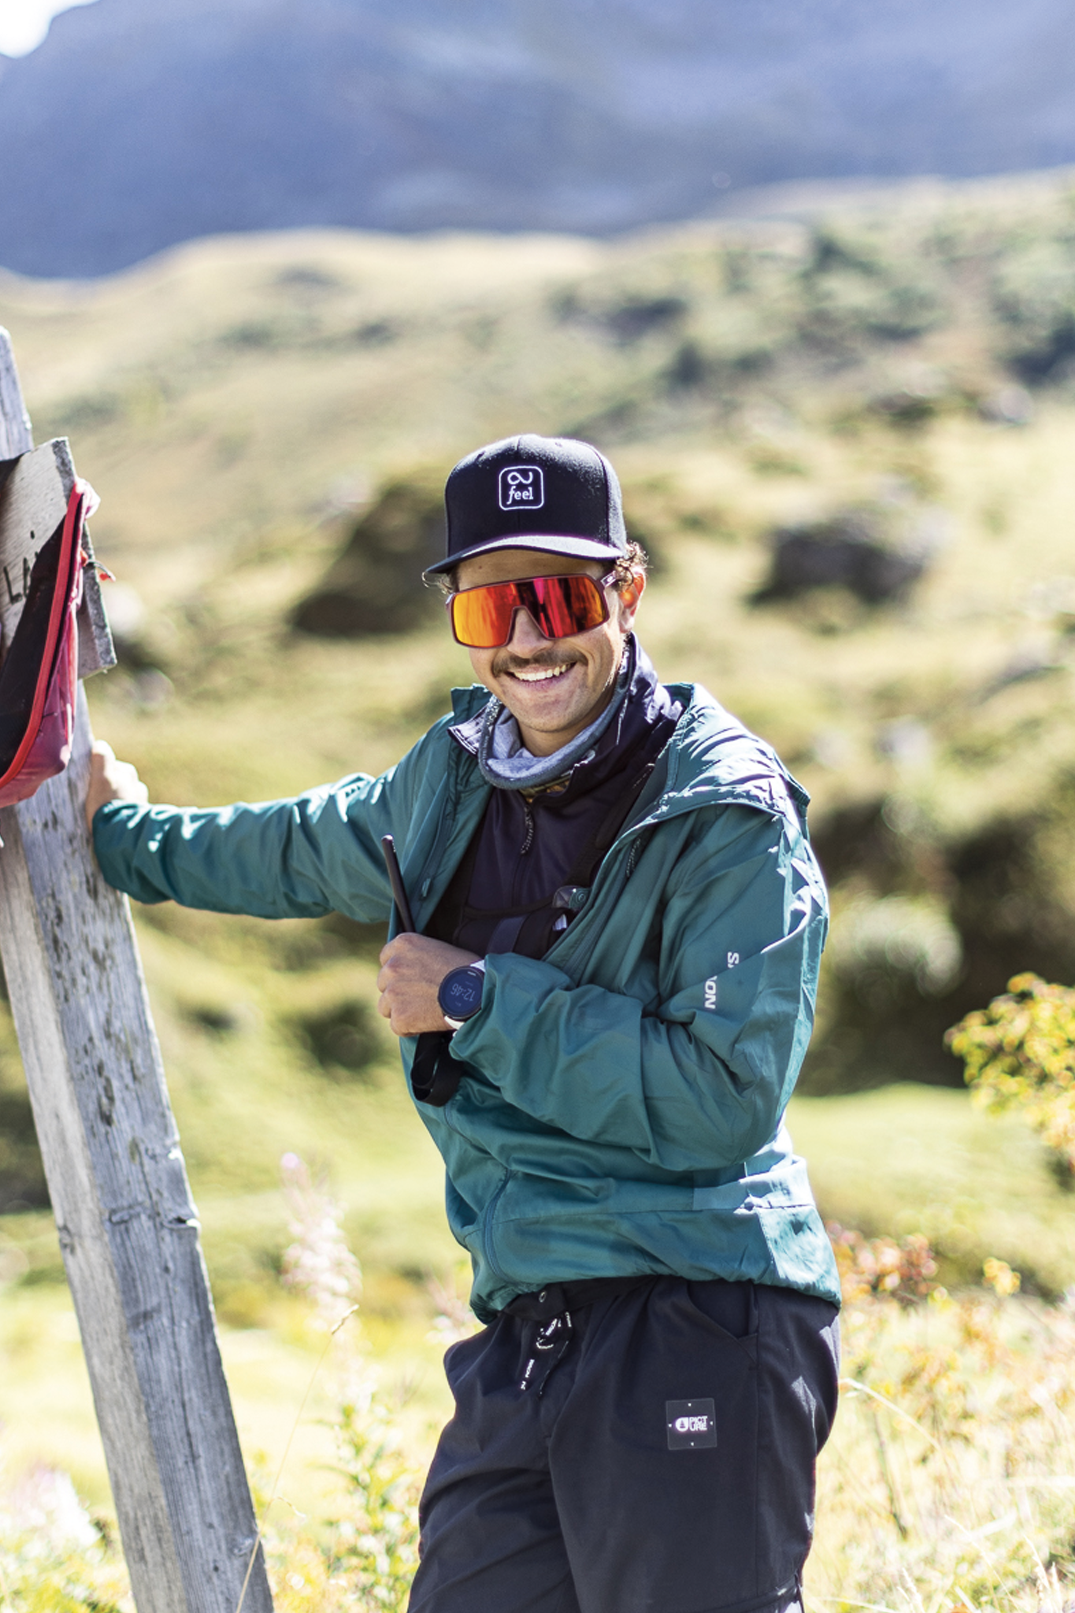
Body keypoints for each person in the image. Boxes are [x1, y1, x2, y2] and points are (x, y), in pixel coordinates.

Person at [87, 433, 841, 1613]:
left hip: (699, 1305)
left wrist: (477, 996)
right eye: (495, 609)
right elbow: (286, 846)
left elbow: (719, 1102)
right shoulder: (443, 779)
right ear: (459, 617)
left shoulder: (726, 816)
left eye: (560, 596)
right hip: (529, 1324)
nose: (531, 640)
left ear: (627, 591)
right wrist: (121, 833)